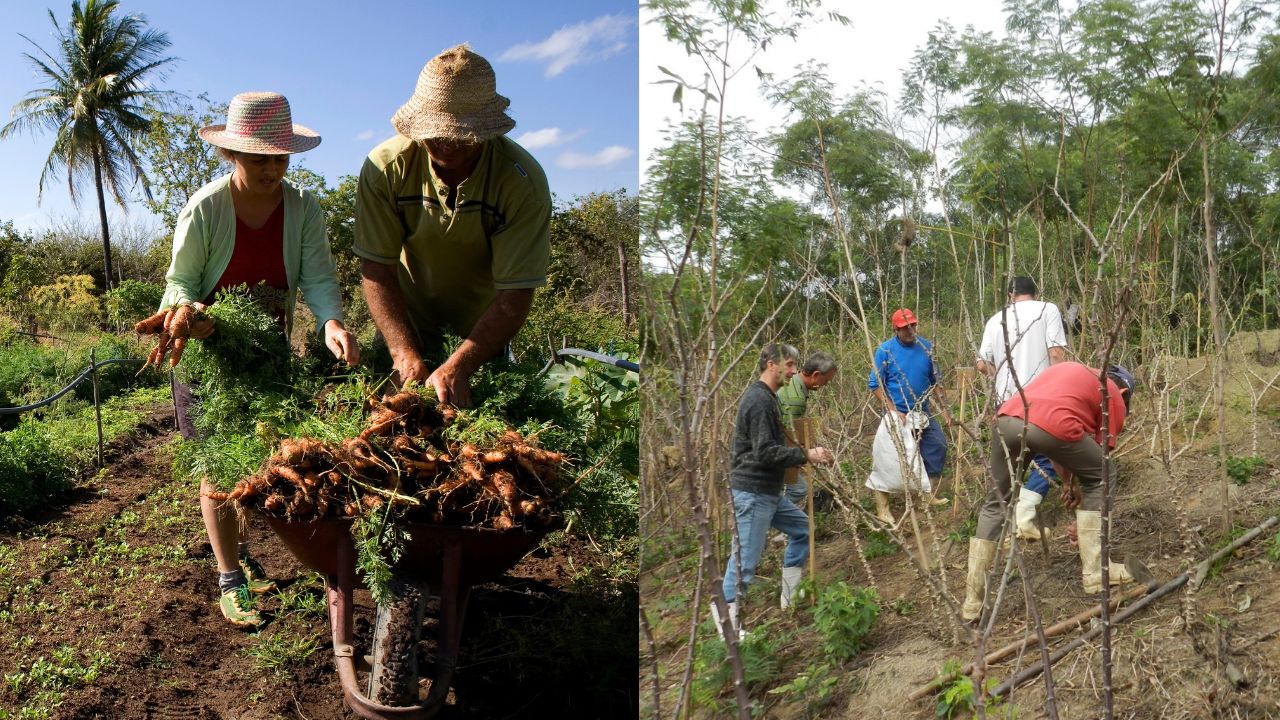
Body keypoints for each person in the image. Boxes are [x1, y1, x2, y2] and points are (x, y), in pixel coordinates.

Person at [162, 91, 360, 627]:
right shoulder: (206, 207)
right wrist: (189, 314)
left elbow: (318, 278)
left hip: (266, 351)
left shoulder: (302, 208)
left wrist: (330, 322)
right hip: (205, 351)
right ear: (233, 156)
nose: (273, 169)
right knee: (215, 465)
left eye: (280, 158)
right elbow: (179, 279)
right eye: (259, 159)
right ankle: (229, 578)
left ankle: (242, 556)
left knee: (252, 460)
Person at [354, 44, 551, 407]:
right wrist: (402, 351)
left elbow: (516, 292)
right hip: (403, 322)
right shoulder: (386, 168)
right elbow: (377, 266)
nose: (444, 144)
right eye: (434, 133)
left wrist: (462, 363)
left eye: (460, 136)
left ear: (484, 131)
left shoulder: (520, 181)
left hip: (480, 336)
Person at [961, 362, 1137, 622]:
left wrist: (1068, 483)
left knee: (997, 503)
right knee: (1104, 473)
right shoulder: (1113, 394)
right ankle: (1097, 572)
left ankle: (972, 603)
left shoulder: (1068, 371)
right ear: (1124, 393)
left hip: (1007, 420)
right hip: (1051, 425)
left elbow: (1054, 440)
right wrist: (1087, 516)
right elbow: (1099, 463)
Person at [712, 344, 835, 640]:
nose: (794, 372)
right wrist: (808, 454)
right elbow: (766, 452)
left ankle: (790, 598)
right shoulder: (759, 400)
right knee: (744, 564)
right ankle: (728, 632)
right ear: (771, 364)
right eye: (790, 365)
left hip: (768, 491)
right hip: (754, 492)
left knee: (803, 529)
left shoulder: (768, 399)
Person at [976, 276, 1067, 542]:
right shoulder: (1047, 309)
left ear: (1009, 295)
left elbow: (981, 364)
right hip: (1041, 400)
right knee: (1051, 457)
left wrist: (1000, 374)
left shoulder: (996, 319)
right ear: (1034, 293)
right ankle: (1024, 517)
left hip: (1006, 405)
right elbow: (1057, 354)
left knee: (1003, 478)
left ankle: (987, 557)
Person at [867, 308, 954, 523]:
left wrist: (945, 410)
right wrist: (892, 410)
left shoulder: (926, 347)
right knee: (889, 458)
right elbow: (874, 384)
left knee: (938, 446)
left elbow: (936, 382)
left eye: (913, 325)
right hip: (896, 412)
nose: (910, 330)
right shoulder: (885, 351)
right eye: (905, 327)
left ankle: (927, 494)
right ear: (896, 328)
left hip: (922, 410)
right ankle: (883, 508)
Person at [776, 351, 838, 508]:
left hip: (773, 447)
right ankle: (769, 515)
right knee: (798, 489)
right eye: (825, 381)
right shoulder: (796, 399)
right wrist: (808, 455)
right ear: (816, 374)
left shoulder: (795, 384)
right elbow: (788, 434)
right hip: (773, 451)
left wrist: (817, 427)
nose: (825, 385)